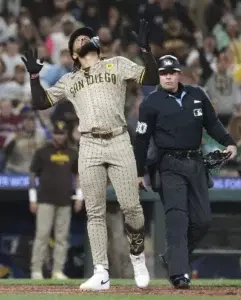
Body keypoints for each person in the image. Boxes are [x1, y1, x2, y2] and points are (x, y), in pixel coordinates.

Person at [21, 19, 159, 290]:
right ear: (73, 53)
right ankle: (101, 272)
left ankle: (137, 256)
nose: (83, 40)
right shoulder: (69, 79)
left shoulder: (116, 63)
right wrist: (35, 78)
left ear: (96, 43)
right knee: (94, 211)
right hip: (89, 144)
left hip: (118, 138)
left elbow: (151, 78)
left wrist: (145, 50)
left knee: (131, 208)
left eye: (87, 37)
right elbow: (41, 102)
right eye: (78, 40)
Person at [134, 55, 237, 289]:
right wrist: (139, 172)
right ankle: (180, 273)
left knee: (203, 221)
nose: (168, 76)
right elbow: (141, 140)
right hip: (169, 164)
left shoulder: (197, 95)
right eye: (163, 73)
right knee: (177, 219)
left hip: (196, 164)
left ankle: (172, 257)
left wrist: (228, 142)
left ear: (179, 73)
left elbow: (212, 124)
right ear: (159, 76)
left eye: (171, 72)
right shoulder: (151, 103)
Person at [29, 121, 84, 279]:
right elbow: (32, 175)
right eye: (56, 134)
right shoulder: (42, 152)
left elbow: (78, 176)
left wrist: (79, 196)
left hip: (65, 200)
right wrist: (32, 199)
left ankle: (58, 270)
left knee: (62, 237)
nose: (59, 137)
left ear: (66, 135)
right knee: (42, 235)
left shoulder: (73, 152)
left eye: (62, 134)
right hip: (45, 200)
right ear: (52, 134)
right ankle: (36, 270)